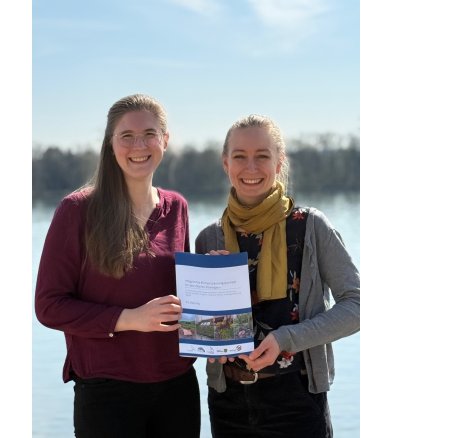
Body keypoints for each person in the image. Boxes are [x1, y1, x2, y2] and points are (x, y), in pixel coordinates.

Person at [35, 94, 199, 438]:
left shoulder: (178, 207)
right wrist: (129, 319)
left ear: (165, 141)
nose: (138, 145)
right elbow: (49, 306)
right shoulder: (77, 210)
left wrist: (212, 280)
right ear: (111, 144)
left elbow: (183, 296)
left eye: (149, 134)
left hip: (177, 387)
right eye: (126, 135)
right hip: (107, 392)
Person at [195, 114, 360, 438]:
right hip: (228, 403)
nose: (251, 167)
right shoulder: (209, 239)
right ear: (225, 163)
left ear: (279, 162)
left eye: (263, 156)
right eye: (240, 157)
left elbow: (357, 305)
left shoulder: (311, 227)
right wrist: (214, 298)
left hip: (297, 401)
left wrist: (286, 338)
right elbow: (202, 332)